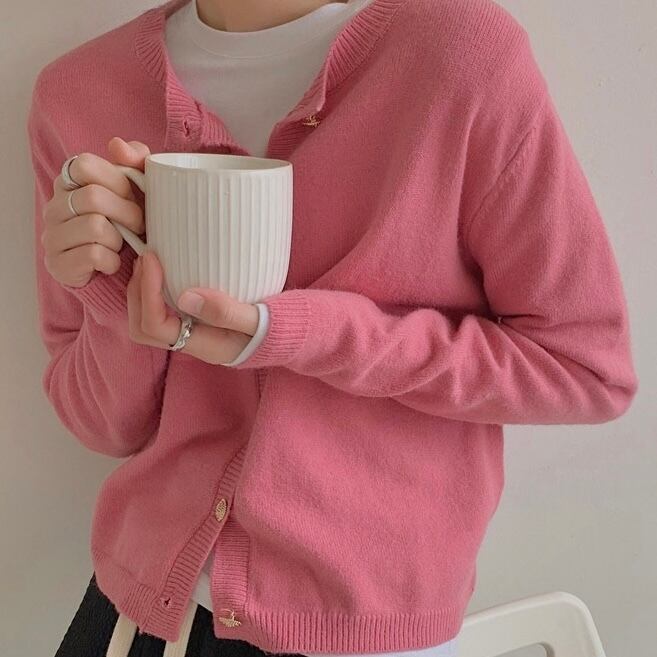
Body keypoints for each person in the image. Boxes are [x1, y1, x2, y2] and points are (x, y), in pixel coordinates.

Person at [27, 0, 639, 656]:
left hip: (361, 629)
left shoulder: (459, 53)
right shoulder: (79, 92)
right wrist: (112, 292)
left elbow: (584, 368)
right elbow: (102, 426)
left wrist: (299, 332)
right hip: (135, 612)